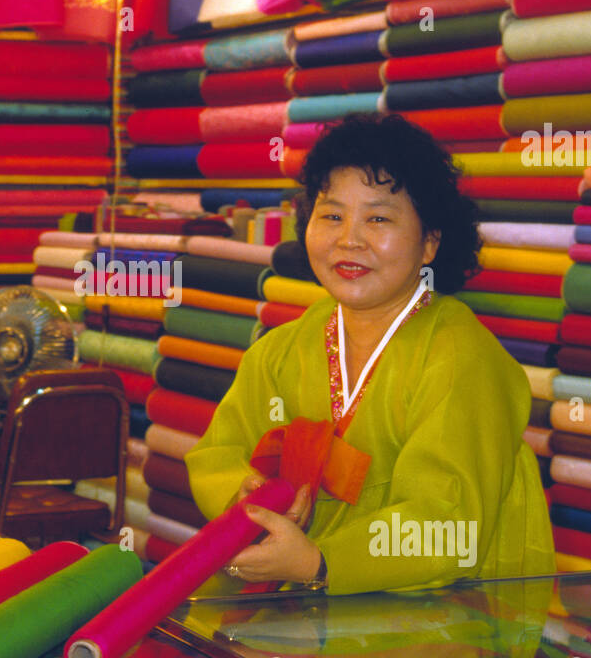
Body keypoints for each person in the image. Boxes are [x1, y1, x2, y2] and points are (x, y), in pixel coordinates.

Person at [186, 113, 555, 595]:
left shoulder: (462, 358)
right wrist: (244, 495)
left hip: (437, 626)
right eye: (332, 215)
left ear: (430, 243)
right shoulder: (279, 350)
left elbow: (446, 523)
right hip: (305, 621)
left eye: (378, 218)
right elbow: (218, 453)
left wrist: (322, 562)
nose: (349, 239)